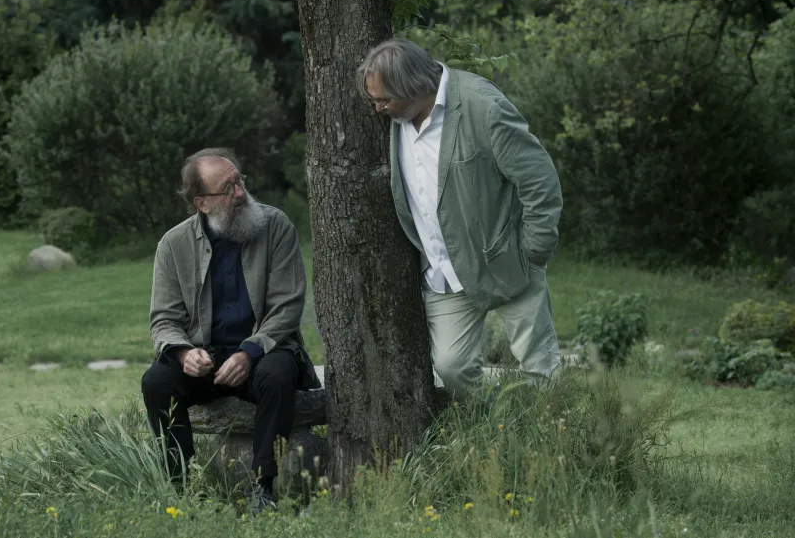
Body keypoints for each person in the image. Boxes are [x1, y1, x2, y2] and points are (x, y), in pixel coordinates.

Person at [355, 38, 564, 399]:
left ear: (413, 87)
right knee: (451, 367)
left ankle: (551, 441)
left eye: (384, 100)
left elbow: (539, 180)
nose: (377, 109)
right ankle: (495, 429)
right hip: (444, 272)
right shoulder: (396, 120)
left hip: (507, 259)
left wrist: (535, 249)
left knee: (539, 366)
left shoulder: (483, 106)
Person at [141, 147, 320, 512]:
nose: (240, 193)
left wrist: (249, 352)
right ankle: (182, 492)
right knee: (156, 381)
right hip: (205, 359)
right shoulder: (173, 245)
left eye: (239, 181)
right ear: (202, 203)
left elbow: (287, 306)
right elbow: (163, 320)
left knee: (278, 371)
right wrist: (183, 352)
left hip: (262, 352)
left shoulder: (276, 227)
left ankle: (264, 490)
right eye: (228, 188)